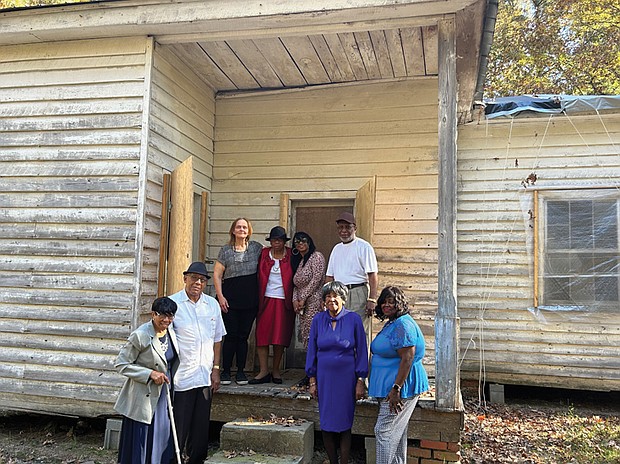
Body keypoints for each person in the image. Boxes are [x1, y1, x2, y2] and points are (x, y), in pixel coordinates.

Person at [169, 261, 226, 464]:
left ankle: (197, 460)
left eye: (202, 280)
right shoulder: (172, 304)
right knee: (179, 426)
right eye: (193, 278)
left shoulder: (211, 305)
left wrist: (216, 370)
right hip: (181, 376)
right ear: (185, 278)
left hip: (204, 375)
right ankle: (174, 460)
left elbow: (218, 338)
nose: (197, 283)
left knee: (201, 427)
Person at [305, 281, 368, 464]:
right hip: (324, 379)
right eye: (327, 297)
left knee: (344, 422)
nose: (331, 300)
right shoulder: (318, 320)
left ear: (343, 299)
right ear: (324, 301)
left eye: (335, 296)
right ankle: (333, 461)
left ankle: (344, 461)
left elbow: (362, 351)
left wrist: (360, 380)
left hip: (346, 379)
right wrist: (312, 380)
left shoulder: (354, 319)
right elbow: (312, 351)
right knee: (326, 422)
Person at [114, 297, 179, 464]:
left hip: (164, 395)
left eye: (170, 316)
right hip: (144, 395)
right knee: (143, 439)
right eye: (162, 316)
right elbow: (121, 364)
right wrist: (149, 373)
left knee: (161, 436)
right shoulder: (141, 335)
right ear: (153, 314)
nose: (166, 320)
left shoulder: (171, 332)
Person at [368, 286, 429, 464]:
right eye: (384, 302)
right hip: (389, 388)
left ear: (400, 303)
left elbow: (408, 358)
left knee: (383, 431)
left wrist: (396, 389)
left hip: (401, 389)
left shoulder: (403, 324)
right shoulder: (393, 322)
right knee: (397, 433)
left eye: (391, 302)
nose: (386, 305)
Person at [213, 217, 263, 385]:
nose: (242, 230)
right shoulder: (225, 250)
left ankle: (241, 372)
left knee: (243, 337)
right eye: (238, 227)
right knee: (231, 336)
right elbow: (217, 275)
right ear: (233, 230)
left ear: (249, 231)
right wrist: (220, 297)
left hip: (250, 301)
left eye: (245, 227)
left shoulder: (256, 248)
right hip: (230, 301)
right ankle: (226, 371)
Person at [250, 226, 294, 384]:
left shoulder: (291, 254)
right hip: (265, 299)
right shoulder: (263, 254)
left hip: (284, 301)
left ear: (284, 242)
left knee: (279, 336)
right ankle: (263, 371)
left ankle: (276, 370)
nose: (277, 243)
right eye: (274, 240)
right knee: (263, 335)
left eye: (280, 240)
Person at [325, 212, 378, 328]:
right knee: (340, 328)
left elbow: (372, 275)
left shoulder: (364, 247)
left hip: (358, 293)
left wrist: (372, 299)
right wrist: (327, 297)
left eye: (348, 227)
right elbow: (329, 276)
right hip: (339, 294)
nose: (344, 230)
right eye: (340, 227)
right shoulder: (336, 249)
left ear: (355, 228)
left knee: (358, 329)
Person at [291, 231, 326, 387]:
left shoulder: (316, 257)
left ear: (310, 241)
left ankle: (315, 373)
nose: (300, 243)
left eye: (303, 240)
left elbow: (316, 280)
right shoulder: (301, 261)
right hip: (302, 305)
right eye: (297, 242)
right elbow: (296, 283)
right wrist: (295, 300)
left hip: (314, 301)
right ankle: (310, 372)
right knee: (306, 337)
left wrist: (303, 297)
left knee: (313, 337)